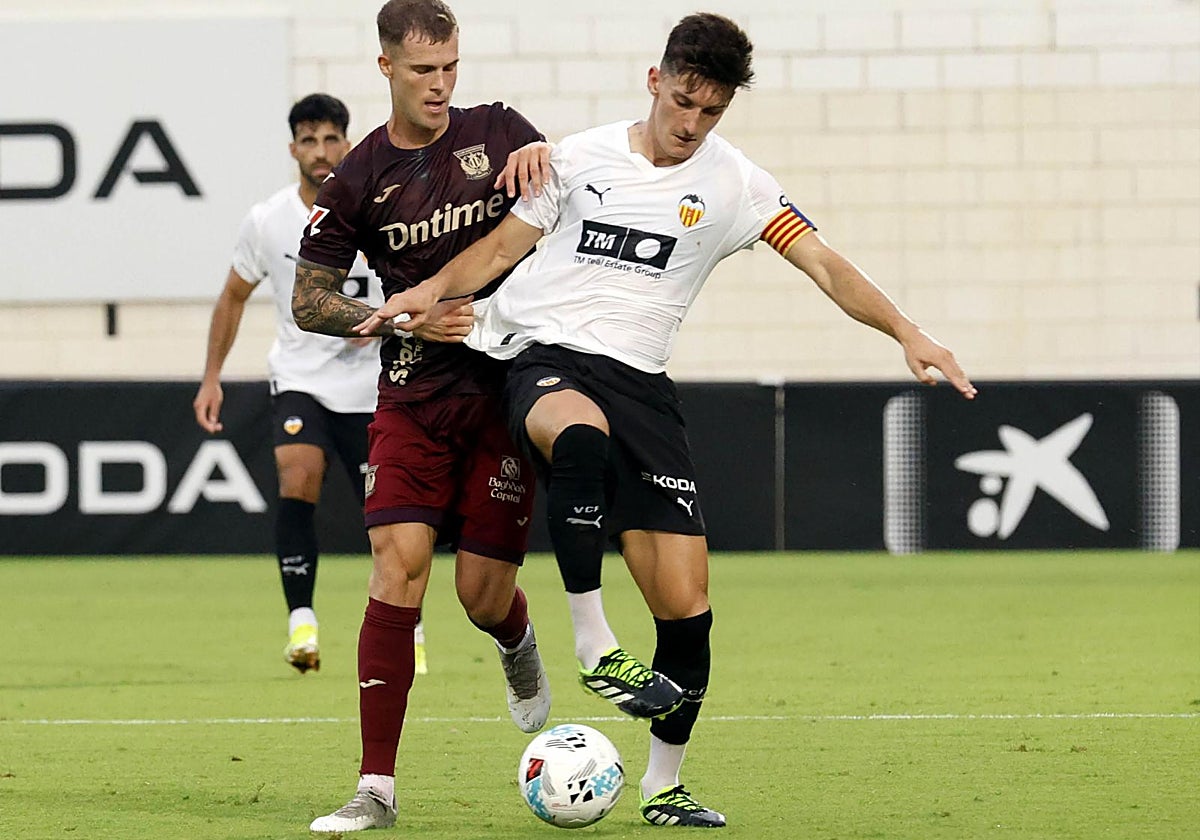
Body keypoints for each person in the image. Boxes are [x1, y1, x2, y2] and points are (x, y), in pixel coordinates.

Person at [359, 11, 978, 829]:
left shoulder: (737, 185)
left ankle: (664, 785)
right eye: (682, 101)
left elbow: (824, 263)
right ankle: (591, 643)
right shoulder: (578, 160)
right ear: (656, 82)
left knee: (688, 608)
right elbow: (499, 250)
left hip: (644, 388)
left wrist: (909, 331)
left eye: (711, 112)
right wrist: (425, 292)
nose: (691, 124)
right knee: (576, 437)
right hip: (549, 358)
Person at [289, 1, 554, 832]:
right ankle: (376, 788)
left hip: (504, 393)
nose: (440, 87)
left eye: (449, 69)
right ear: (386, 70)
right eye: (422, 72)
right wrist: (402, 316)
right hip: (410, 394)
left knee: (480, 596)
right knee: (396, 565)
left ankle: (516, 640)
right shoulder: (358, 177)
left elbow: (563, 209)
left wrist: (557, 155)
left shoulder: (502, 132)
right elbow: (308, 300)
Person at [193, 94, 453, 676]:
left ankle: (405, 624)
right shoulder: (268, 220)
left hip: (375, 386)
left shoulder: (381, 207)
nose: (321, 151)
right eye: (308, 141)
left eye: (331, 138)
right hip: (301, 376)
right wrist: (211, 377)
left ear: (348, 141)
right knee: (298, 471)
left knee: (393, 514)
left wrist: (387, 318)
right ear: (293, 150)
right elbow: (233, 296)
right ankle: (301, 623)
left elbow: (422, 284)